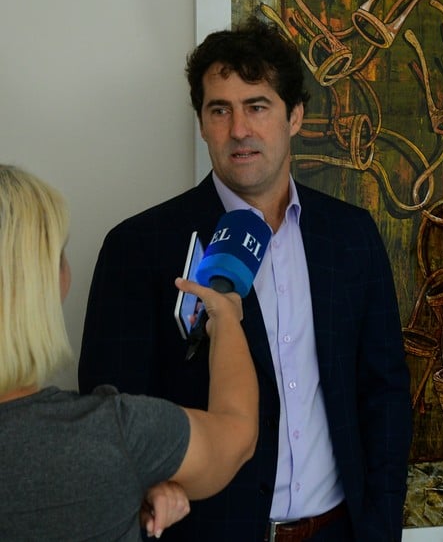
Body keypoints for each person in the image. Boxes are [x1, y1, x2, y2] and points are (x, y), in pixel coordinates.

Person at [78, 18, 412, 541]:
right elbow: (112, 415)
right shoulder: (137, 247)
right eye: (220, 110)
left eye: (257, 106)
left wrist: (382, 524)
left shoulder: (352, 236)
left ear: (294, 116)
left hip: (340, 530)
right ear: (202, 123)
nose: (239, 130)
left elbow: (385, 392)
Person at [0, 164, 258, 540]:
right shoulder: (108, 434)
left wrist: (129, 485)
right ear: (43, 282)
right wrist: (225, 318)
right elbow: (236, 434)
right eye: (59, 253)